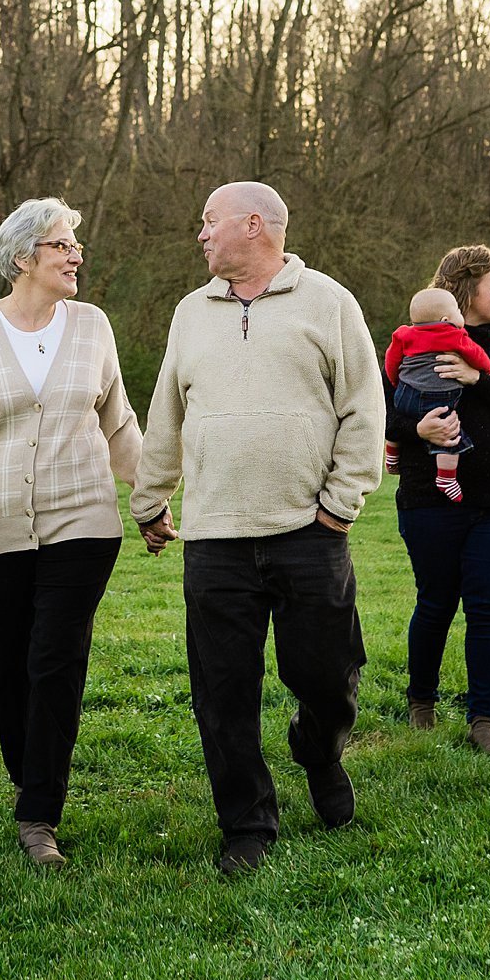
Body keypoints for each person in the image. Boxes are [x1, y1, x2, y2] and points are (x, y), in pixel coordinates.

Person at [132, 182, 385, 875]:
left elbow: (365, 408)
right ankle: (247, 822)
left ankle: (320, 748)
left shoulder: (329, 302)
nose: (200, 234)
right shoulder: (191, 311)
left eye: (208, 221)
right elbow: (166, 415)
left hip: (310, 529)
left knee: (329, 676)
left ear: (254, 224)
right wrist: (151, 500)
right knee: (223, 690)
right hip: (215, 538)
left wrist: (339, 505)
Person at [0, 198, 142, 868]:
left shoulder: (94, 325)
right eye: (61, 245)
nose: (76, 255)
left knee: (56, 659)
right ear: (24, 258)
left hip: (85, 519)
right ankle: (30, 771)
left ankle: (39, 811)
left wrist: (153, 499)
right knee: (7, 662)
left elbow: (118, 422)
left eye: (75, 244)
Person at [391, 244, 490, 759]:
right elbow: (383, 414)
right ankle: (421, 703)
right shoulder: (413, 343)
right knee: (434, 602)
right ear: (467, 287)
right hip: (428, 497)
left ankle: (483, 719)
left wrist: (477, 377)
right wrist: (417, 428)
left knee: (486, 607)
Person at [384, 285, 490, 502]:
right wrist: (485, 372)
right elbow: (477, 356)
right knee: (449, 435)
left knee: (399, 417)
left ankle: (392, 454)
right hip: (436, 400)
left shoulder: (404, 333)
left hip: (406, 393)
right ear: (446, 319)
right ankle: (446, 478)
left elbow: (391, 360)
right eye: (458, 311)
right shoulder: (453, 335)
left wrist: (397, 382)